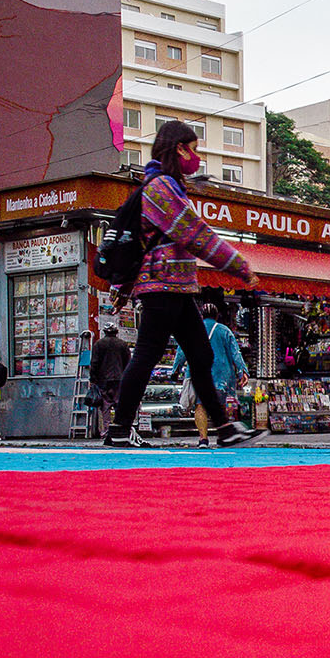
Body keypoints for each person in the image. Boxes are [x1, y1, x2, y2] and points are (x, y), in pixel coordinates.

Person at [104, 120, 263, 448]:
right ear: (179, 148)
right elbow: (194, 234)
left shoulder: (167, 187)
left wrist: (122, 291)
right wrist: (239, 266)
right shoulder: (161, 188)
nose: (197, 157)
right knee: (149, 354)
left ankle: (224, 428)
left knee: (199, 355)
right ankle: (119, 429)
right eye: (195, 149)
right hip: (163, 287)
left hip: (174, 288)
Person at [172, 304, 249, 448]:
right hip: (221, 373)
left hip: (198, 370)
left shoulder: (192, 329)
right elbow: (235, 352)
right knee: (220, 404)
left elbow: (181, 351)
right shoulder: (225, 331)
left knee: (200, 405)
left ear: (201, 315)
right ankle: (224, 434)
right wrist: (242, 370)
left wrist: (176, 369)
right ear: (216, 315)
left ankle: (203, 439)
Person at [88, 324, 131, 436]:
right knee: (118, 404)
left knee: (105, 405)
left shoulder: (99, 344)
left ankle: (106, 430)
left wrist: (93, 378)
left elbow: (94, 363)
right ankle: (119, 428)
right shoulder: (123, 344)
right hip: (119, 378)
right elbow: (128, 363)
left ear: (105, 332)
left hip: (103, 379)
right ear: (116, 332)